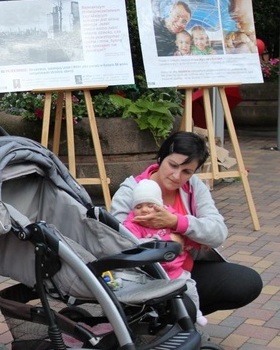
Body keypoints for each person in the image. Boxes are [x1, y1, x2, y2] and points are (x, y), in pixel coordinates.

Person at [111, 131, 263, 319]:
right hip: (143, 276)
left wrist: (177, 223)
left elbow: (218, 233)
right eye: (172, 165)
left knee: (246, 282)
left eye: (186, 171)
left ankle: (178, 314)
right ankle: (155, 316)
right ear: (161, 157)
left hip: (184, 269)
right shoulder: (131, 191)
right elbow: (116, 243)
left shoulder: (193, 187)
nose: (176, 176)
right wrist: (168, 243)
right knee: (184, 308)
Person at [122, 179, 207, 326]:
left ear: (160, 206)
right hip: (151, 274)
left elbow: (184, 233)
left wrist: (194, 243)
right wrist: (169, 240)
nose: (145, 210)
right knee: (158, 300)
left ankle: (197, 312)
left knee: (190, 288)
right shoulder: (133, 225)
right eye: (139, 206)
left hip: (175, 270)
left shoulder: (168, 217)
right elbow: (132, 244)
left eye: (150, 205)